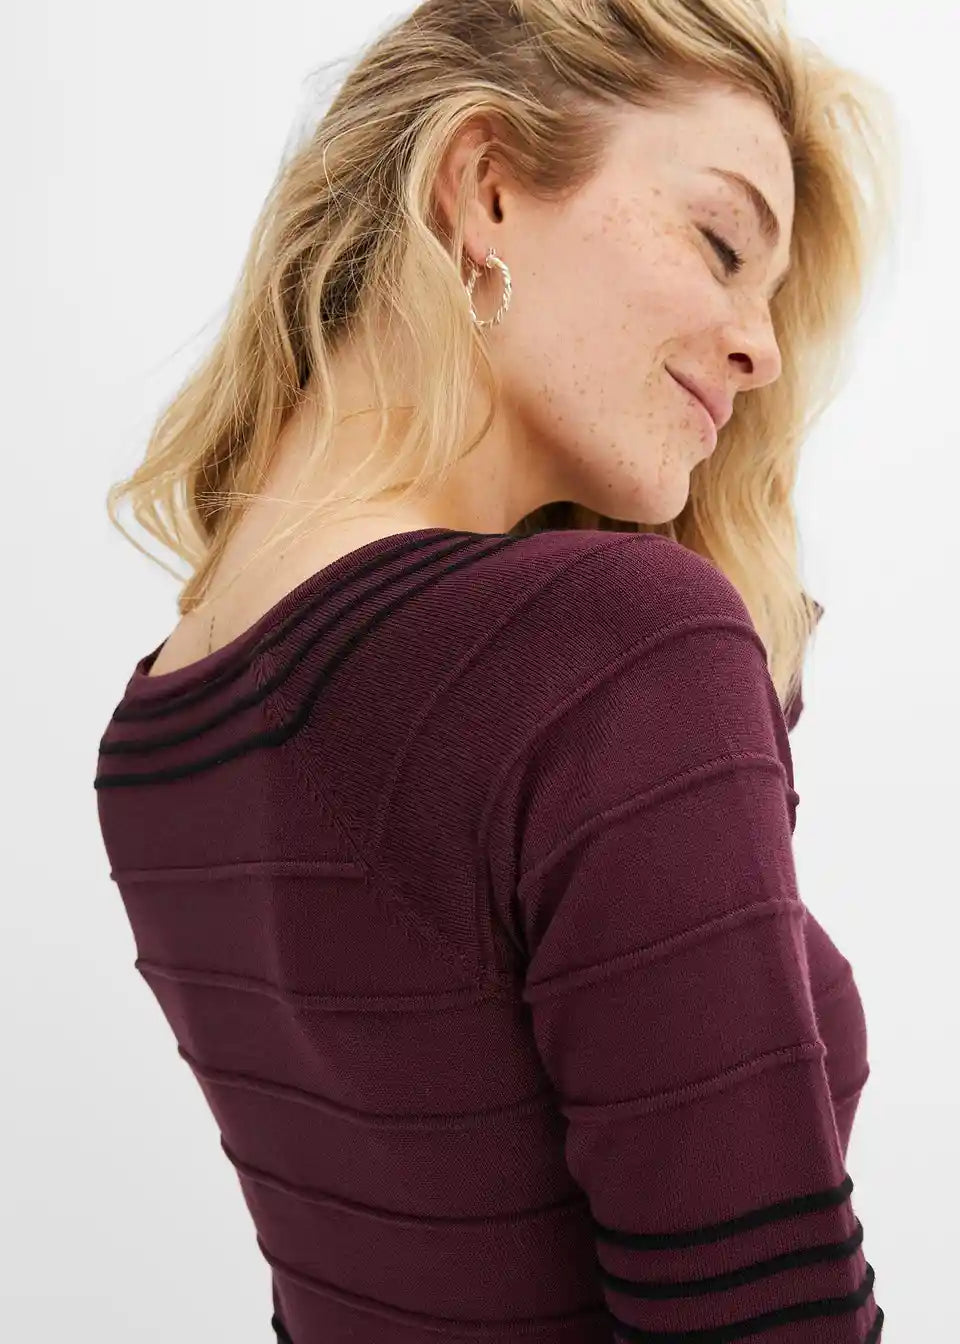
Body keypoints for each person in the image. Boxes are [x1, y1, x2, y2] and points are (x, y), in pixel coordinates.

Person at [95, 2, 897, 1340]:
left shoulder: (157, 726)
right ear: (486, 185)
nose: (761, 350)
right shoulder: (609, 644)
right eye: (720, 243)